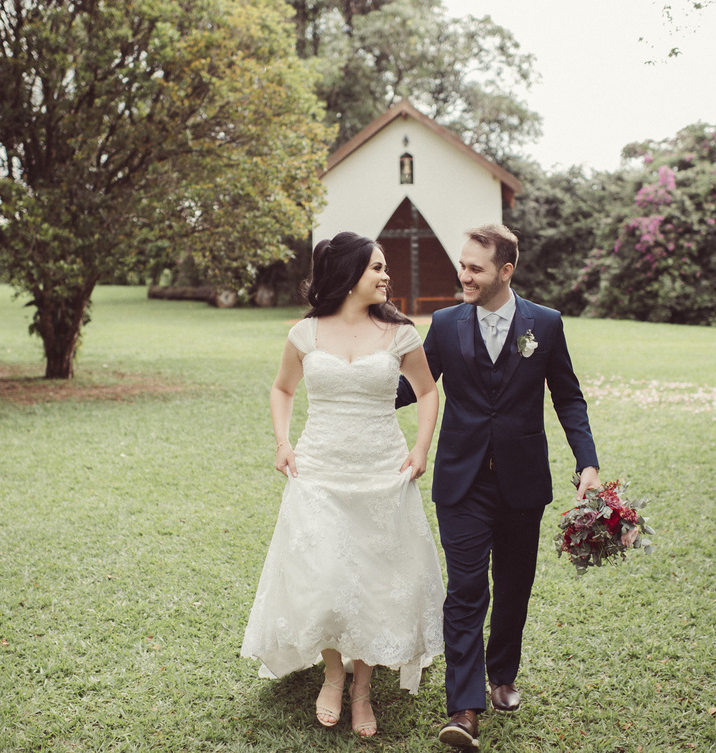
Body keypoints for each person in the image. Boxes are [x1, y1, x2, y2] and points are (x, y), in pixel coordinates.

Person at [395, 224, 600, 749]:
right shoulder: (442, 324)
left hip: (522, 481)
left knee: (513, 587)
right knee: (466, 591)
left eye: (475, 268)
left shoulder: (545, 325)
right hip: (460, 482)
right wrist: (351, 385)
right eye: (462, 265)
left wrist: (588, 464)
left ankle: (502, 673)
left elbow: (568, 398)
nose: (463, 274)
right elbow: (412, 388)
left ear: (505, 272)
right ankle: (464, 708)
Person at [241, 231, 445, 738]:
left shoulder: (400, 333)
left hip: (382, 470)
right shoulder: (305, 335)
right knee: (325, 571)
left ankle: (362, 687)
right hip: (319, 469)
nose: (385, 276)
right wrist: (282, 442)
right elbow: (282, 388)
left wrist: (420, 448)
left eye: (385, 268)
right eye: (376, 268)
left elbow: (426, 391)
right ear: (349, 275)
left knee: (374, 576)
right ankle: (333, 673)